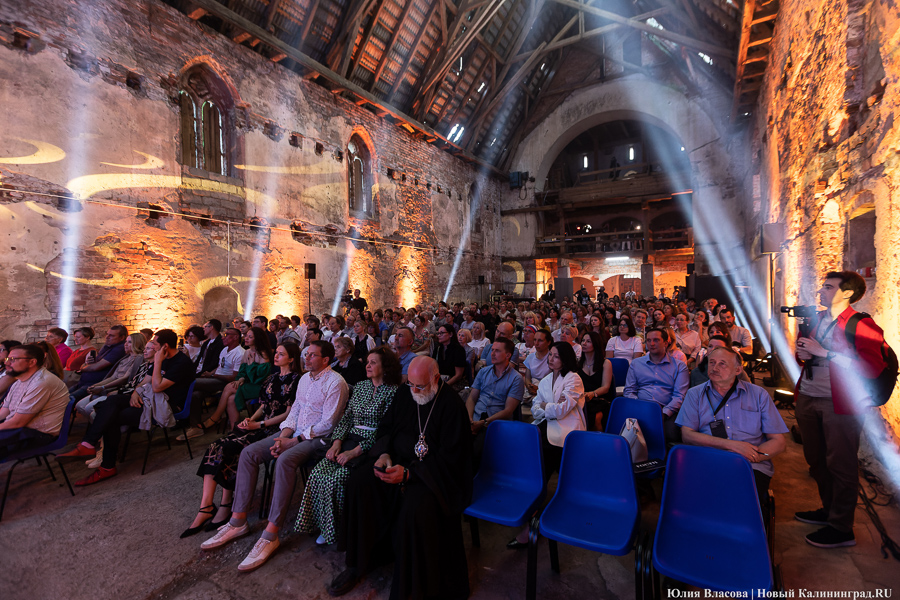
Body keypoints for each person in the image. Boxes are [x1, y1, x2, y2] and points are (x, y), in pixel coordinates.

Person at [327, 357, 472, 598]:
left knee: (415, 509)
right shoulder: (406, 394)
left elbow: (453, 459)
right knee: (360, 484)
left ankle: (410, 587)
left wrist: (410, 474)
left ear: (436, 379)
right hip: (395, 460)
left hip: (430, 475)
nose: (414, 391)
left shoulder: (451, 406)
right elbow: (386, 427)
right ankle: (360, 563)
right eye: (410, 384)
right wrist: (384, 453)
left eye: (420, 386)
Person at [199, 341, 349, 571]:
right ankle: (238, 520)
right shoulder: (305, 379)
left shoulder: (336, 382)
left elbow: (328, 424)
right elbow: (295, 411)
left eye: (312, 356)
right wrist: (284, 436)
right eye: (305, 354)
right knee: (249, 453)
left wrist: (291, 442)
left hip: (317, 438)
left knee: (285, 460)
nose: (305, 359)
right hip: (294, 432)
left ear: (326, 359)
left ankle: (271, 533)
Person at [793, 271, 890, 548]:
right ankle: (829, 510)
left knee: (841, 463)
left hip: (840, 402)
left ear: (846, 293)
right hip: (809, 396)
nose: (821, 290)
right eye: (823, 285)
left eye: (828, 286)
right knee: (816, 461)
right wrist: (805, 355)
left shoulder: (862, 324)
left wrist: (824, 353)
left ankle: (841, 527)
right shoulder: (820, 320)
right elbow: (811, 358)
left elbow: (872, 367)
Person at [181, 344, 302, 538]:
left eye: (281, 354)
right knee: (216, 446)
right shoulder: (272, 378)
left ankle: (223, 505)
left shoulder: (297, 380)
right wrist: (250, 419)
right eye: (276, 352)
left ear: (291, 359)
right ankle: (208, 506)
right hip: (260, 423)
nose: (276, 356)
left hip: (276, 429)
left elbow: (289, 414)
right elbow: (263, 406)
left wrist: (259, 425)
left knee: (229, 448)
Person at [57, 329, 195, 485]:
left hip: (166, 406)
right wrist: (136, 391)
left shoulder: (180, 362)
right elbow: (145, 382)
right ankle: (88, 444)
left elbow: (157, 387)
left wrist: (157, 362)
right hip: (149, 399)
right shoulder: (163, 357)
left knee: (112, 417)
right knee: (111, 402)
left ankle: (106, 466)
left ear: (165, 346)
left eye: (154, 344)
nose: (150, 347)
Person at [296, 346, 401, 546]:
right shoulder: (361, 387)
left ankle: (337, 529)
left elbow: (384, 429)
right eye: (367, 362)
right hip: (349, 439)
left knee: (338, 478)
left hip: (372, 445)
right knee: (319, 473)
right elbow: (346, 419)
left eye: (373, 363)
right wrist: (337, 443)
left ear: (385, 367)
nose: (367, 365)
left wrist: (354, 452)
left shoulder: (393, 392)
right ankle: (320, 524)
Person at [677, 346, 788, 520]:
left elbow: (779, 442)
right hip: (708, 460)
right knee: (695, 505)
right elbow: (687, 435)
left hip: (750, 465)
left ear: (738, 369)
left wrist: (752, 455)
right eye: (712, 363)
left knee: (745, 508)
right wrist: (732, 446)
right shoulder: (695, 394)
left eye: (722, 364)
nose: (714, 368)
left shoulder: (759, 395)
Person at [508, 343, 585, 549]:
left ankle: (538, 518)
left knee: (543, 463)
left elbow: (562, 411)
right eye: (550, 355)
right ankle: (533, 512)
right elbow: (536, 408)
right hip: (547, 427)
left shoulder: (573, 379)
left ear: (566, 359)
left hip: (568, 433)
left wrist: (546, 406)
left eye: (556, 356)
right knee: (532, 457)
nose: (551, 359)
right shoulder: (546, 380)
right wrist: (547, 406)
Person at [0, 344, 69, 459]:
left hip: (39, 434)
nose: (7, 363)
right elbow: (4, 412)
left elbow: (18, 422)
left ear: (32, 362)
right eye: (8, 359)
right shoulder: (19, 380)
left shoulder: (41, 382)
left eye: (13, 359)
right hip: (21, 429)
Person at [466, 338, 525, 470]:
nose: (492, 354)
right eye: (492, 350)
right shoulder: (483, 372)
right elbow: (472, 398)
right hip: (475, 419)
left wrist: (483, 423)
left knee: (476, 451)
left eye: (497, 351)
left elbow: (508, 411)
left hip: (496, 423)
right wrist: (469, 418)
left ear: (508, 355)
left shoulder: (516, 378)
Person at [623, 328, 689, 443]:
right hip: (640, 407)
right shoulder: (636, 364)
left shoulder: (679, 366)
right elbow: (629, 391)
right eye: (648, 340)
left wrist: (663, 413)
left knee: (671, 433)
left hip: (665, 410)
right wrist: (640, 407)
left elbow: (679, 396)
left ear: (666, 342)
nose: (652, 344)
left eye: (656, 340)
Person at [183, 327, 245, 438]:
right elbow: (219, 366)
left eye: (227, 335)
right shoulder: (225, 349)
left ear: (236, 337)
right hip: (215, 378)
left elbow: (234, 377)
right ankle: (195, 427)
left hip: (225, 382)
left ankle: (177, 411)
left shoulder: (240, 353)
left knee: (191, 382)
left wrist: (212, 375)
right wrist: (209, 373)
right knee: (195, 394)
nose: (223, 337)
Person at [75, 332, 146, 419]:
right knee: (80, 405)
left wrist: (102, 387)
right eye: (126, 341)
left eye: (130, 342)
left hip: (119, 390)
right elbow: (113, 377)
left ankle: (108, 428)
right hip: (110, 388)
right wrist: (96, 385)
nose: (126, 344)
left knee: (89, 409)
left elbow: (125, 378)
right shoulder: (125, 359)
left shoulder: (139, 359)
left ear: (137, 343)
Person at [68, 326, 128, 400]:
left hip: (95, 384)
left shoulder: (120, 348)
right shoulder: (107, 345)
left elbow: (95, 367)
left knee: (68, 399)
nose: (107, 337)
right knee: (61, 396)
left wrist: (83, 368)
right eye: (107, 334)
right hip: (83, 381)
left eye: (111, 335)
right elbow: (93, 363)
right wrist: (88, 363)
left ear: (122, 337)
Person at [577, 331, 615, 431]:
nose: (584, 343)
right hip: (583, 399)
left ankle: (599, 442)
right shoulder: (578, 364)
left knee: (596, 417)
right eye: (583, 341)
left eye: (588, 341)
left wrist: (593, 393)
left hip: (600, 399)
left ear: (596, 344)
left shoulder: (605, 363)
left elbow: (605, 387)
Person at [432, 324, 466, 392]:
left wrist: (444, 385)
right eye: (438, 333)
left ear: (450, 334)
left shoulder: (458, 350)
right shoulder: (437, 349)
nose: (439, 335)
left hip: (453, 382)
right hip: (440, 380)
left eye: (441, 333)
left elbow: (458, 375)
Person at [523, 329, 552, 403]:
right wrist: (530, 387)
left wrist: (538, 388)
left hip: (547, 389)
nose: (536, 343)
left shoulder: (552, 358)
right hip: (533, 387)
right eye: (535, 340)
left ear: (548, 342)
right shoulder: (530, 357)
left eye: (540, 341)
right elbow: (527, 378)